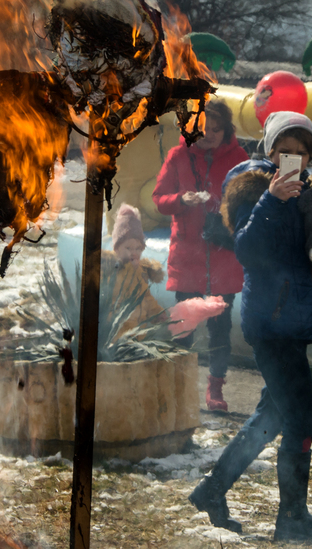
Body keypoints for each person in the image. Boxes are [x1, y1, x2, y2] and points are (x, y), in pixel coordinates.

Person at [189, 112, 312, 540]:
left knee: (272, 414)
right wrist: (273, 200)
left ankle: (212, 489)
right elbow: (247, 249)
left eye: (300, 153)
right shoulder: (251, 188)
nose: (292, 159)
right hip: (269, 321)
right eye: (284, 151)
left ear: (311, 156)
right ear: (270, 151)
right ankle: (292, 519)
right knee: (302, 417)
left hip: (298, 317)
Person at [152, 99, 250, 412]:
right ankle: (178, 385)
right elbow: (160, 199)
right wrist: (182, 199)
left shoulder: (239, 158)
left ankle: (215, 388)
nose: (208, 134)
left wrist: (225, 207)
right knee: (184, 326)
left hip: (224, 255)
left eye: (215, 129)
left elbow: (247, 201)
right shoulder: (178, 154)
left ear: (227, 130)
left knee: (220, 327)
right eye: (202, 129)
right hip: (189, 256)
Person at [103, 204, 166, 336]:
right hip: (117, 338)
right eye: (128, 248)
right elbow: (106, 302)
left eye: (138, 248)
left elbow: (146, 297)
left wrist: (156, 313)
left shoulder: (140, 272)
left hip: (138, 336)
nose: (134, 253)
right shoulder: (111, 270)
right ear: (116, 248)